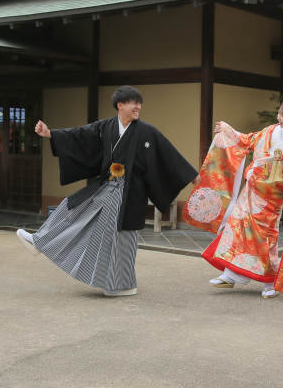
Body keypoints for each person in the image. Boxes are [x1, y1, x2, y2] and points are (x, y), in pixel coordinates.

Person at [17, 86, 199, 297]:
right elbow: (79, 136)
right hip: (107, 186)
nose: (138, 106)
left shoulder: (147, 131)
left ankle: (122, 284)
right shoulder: (106, 127)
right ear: (120, 105)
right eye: (133, 102)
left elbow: (168, 154)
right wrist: (50, 134)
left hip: (130, 193)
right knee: (73, 206)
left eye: (139, 102)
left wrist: (191, 176)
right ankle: (41, 241)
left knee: (122, 238)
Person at [183, 98, 283, 299]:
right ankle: (231, 274)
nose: (278, 117)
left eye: (282, 114)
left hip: (270, 199)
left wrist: (257, 169)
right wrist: (229, 131)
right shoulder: (270, 131)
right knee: (237, 229)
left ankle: (271, 280)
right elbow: (248, 140)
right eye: (279, 113)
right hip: (250, 194)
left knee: (265, 239)